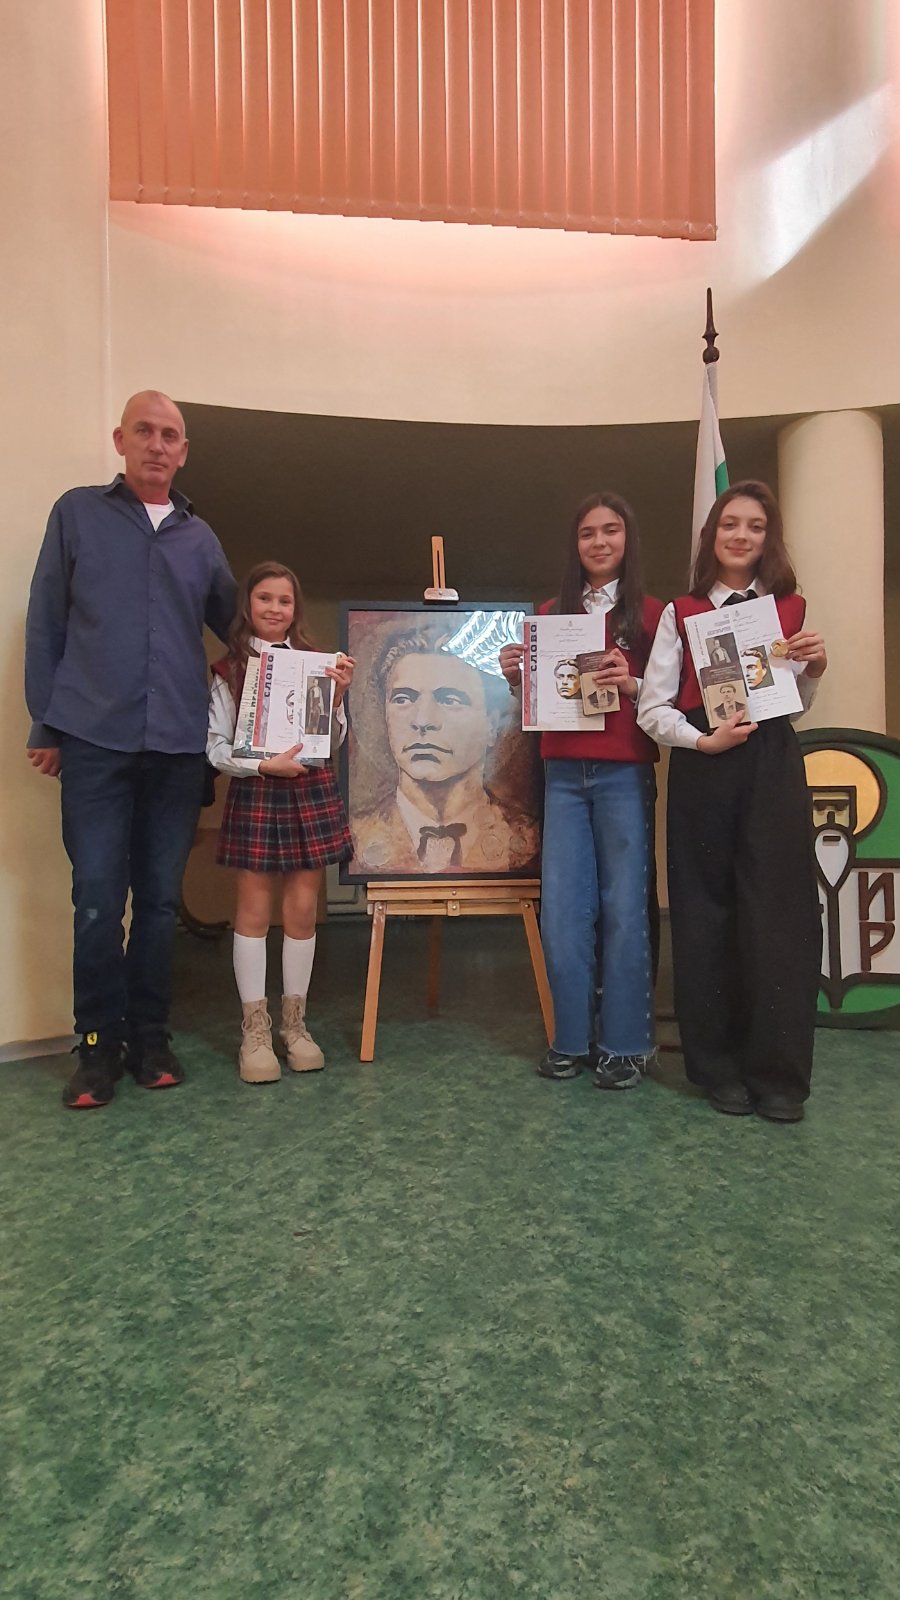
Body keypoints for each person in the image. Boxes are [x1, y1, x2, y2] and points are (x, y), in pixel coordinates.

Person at [25, 391, 236, 1109]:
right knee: (95, 898)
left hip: (176, 747)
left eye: (169, 435)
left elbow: (242, 633)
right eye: (144, 431)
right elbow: (46, 621)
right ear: (121, 440)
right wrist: (46, 724)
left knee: (157, 903)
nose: (156, 444)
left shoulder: (200, 540)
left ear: (183, 452)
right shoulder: (77, 514)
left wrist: (309, 671)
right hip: (93, 742)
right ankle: (95, 1048)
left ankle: (150, 1038)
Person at [637, 480, 827, 1122]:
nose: (742, 535)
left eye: (755, 526)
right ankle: (717, 1067)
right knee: (705, 911)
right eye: (730, 524)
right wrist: (702, 741)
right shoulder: (681, 612)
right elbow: (652, 708)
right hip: (705, 762)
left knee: (779, 914)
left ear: (769, 539)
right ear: (711, 536)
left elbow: (794, 703)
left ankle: (779, 1075)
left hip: (771, 761)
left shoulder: (789, 610)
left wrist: (814, 668)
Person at [500, 492, 664, 1089]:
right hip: (564, 773)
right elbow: (543, 702)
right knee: (565, 910)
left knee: (624, 909)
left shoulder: (654, 615)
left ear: (628, 539)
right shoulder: (549, 614)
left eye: (611, 530)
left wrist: (633, 682)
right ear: (575, 545)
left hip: (624, 771)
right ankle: (569, 1038)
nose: (599, 542)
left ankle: (625, 1044)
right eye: (588, 532)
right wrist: (517, 678)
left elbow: (675, 699)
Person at [207, 562, 355, 1084]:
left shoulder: (318, 663)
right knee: (252, 911)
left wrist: (338, 697)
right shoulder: (228, 669)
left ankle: (295, 1027)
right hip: (258, 790)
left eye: (285, 600)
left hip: (310, 790)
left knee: (302, 912)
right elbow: (215, 747)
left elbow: (332, 741)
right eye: (264, 598)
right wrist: (262, 766)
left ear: (296, 608)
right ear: (248, 605)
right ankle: (254, 1032)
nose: (274, 608)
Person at [350, 626, 539, 875]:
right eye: (403, 699)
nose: (423, 720)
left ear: (492, 726)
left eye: (450, 700)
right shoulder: (357, 837)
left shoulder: (525, 838)